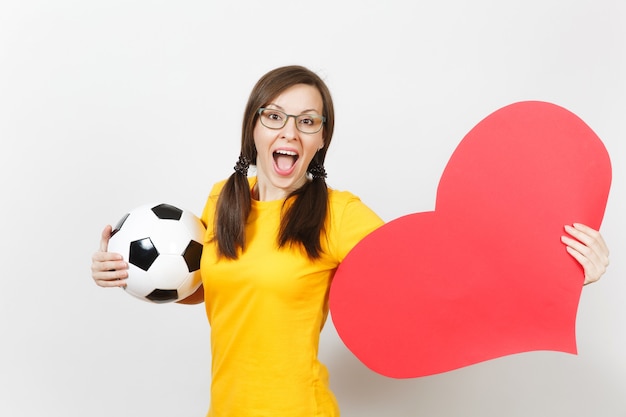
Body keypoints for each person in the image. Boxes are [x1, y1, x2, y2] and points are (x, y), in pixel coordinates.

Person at [91, 65, 610, 416]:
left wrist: (561, 271)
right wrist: (127, 274)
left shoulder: (337, 214)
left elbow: (437, 276)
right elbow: (219, 288)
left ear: (320, 140)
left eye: (307, 121)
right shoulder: (222, 201)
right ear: (254, 127)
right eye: (274, 116)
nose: (289, 132)